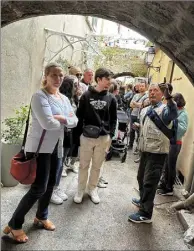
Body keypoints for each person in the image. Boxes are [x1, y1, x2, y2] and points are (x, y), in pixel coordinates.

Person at [3, 63, 78, 242]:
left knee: (51, 184)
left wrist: (60, 118)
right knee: (38, 188)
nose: (58, 79)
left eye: (60, 75)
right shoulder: (39, 96)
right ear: (46, 76)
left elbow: (74, 121)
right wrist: (63, 119)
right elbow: (48, 123)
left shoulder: (64, 98)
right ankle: (15, 224)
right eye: (54, 75)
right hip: (39, 149)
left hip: (57, 147)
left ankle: (41, 216)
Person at [128, 83, 178, 223]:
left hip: (157, 152)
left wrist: (169, 98)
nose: (152, 93)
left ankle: (145, 213)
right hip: (145, 150)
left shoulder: (165, 110)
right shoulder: (145, 110)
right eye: (150, 90)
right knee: (141, 178)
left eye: (156, 90)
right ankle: (143, 201)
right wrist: (138, 127)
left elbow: (173, 113)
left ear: (162, 94)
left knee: (150, 182)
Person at [73, 68, 117, 204]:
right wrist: (77, 136)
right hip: (86, 136)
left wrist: (110, 136)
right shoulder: (86, 96)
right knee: (83, 165)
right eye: (107, 79)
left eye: (110, 79)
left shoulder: (111, 98)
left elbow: (114, 119)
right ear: (99, 79)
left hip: (103, 137)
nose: (110, 82)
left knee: (97, 166)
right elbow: (79, 117)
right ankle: (80, 190)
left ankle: (92, 189)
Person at [50, 75, 79, 205]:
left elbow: (73, 119)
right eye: (76, 85)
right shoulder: (60, 99)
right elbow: (66, 118)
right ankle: (51, 190)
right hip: (60, 134)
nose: (78, 87)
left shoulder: (72, 99)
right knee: (57, 162)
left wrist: (69, 119)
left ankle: (57, 186)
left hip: (69, 134)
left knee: (61, 163)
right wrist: (68, 119)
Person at [158, 93, 188, 195]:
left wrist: (172, 124)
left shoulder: (183, 113)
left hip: (175, 143)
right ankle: (164, 183)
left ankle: (169, 188)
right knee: (166, 164)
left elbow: (182, 129)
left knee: (171, 165)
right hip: (170, 142)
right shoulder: (178, 111)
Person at [129, 81, 148, 150]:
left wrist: (135, 104)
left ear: (146, 87)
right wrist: (138, 104)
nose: (141, 87)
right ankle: (130, 145)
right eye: (140, 86)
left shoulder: (147, 96)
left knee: (139, 132)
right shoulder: (136, 95)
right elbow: (130, 105)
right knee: (131, 131)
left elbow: (143, 105)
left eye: (142, 86)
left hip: (141, 116)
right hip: (133, 114)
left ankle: (138, 147)